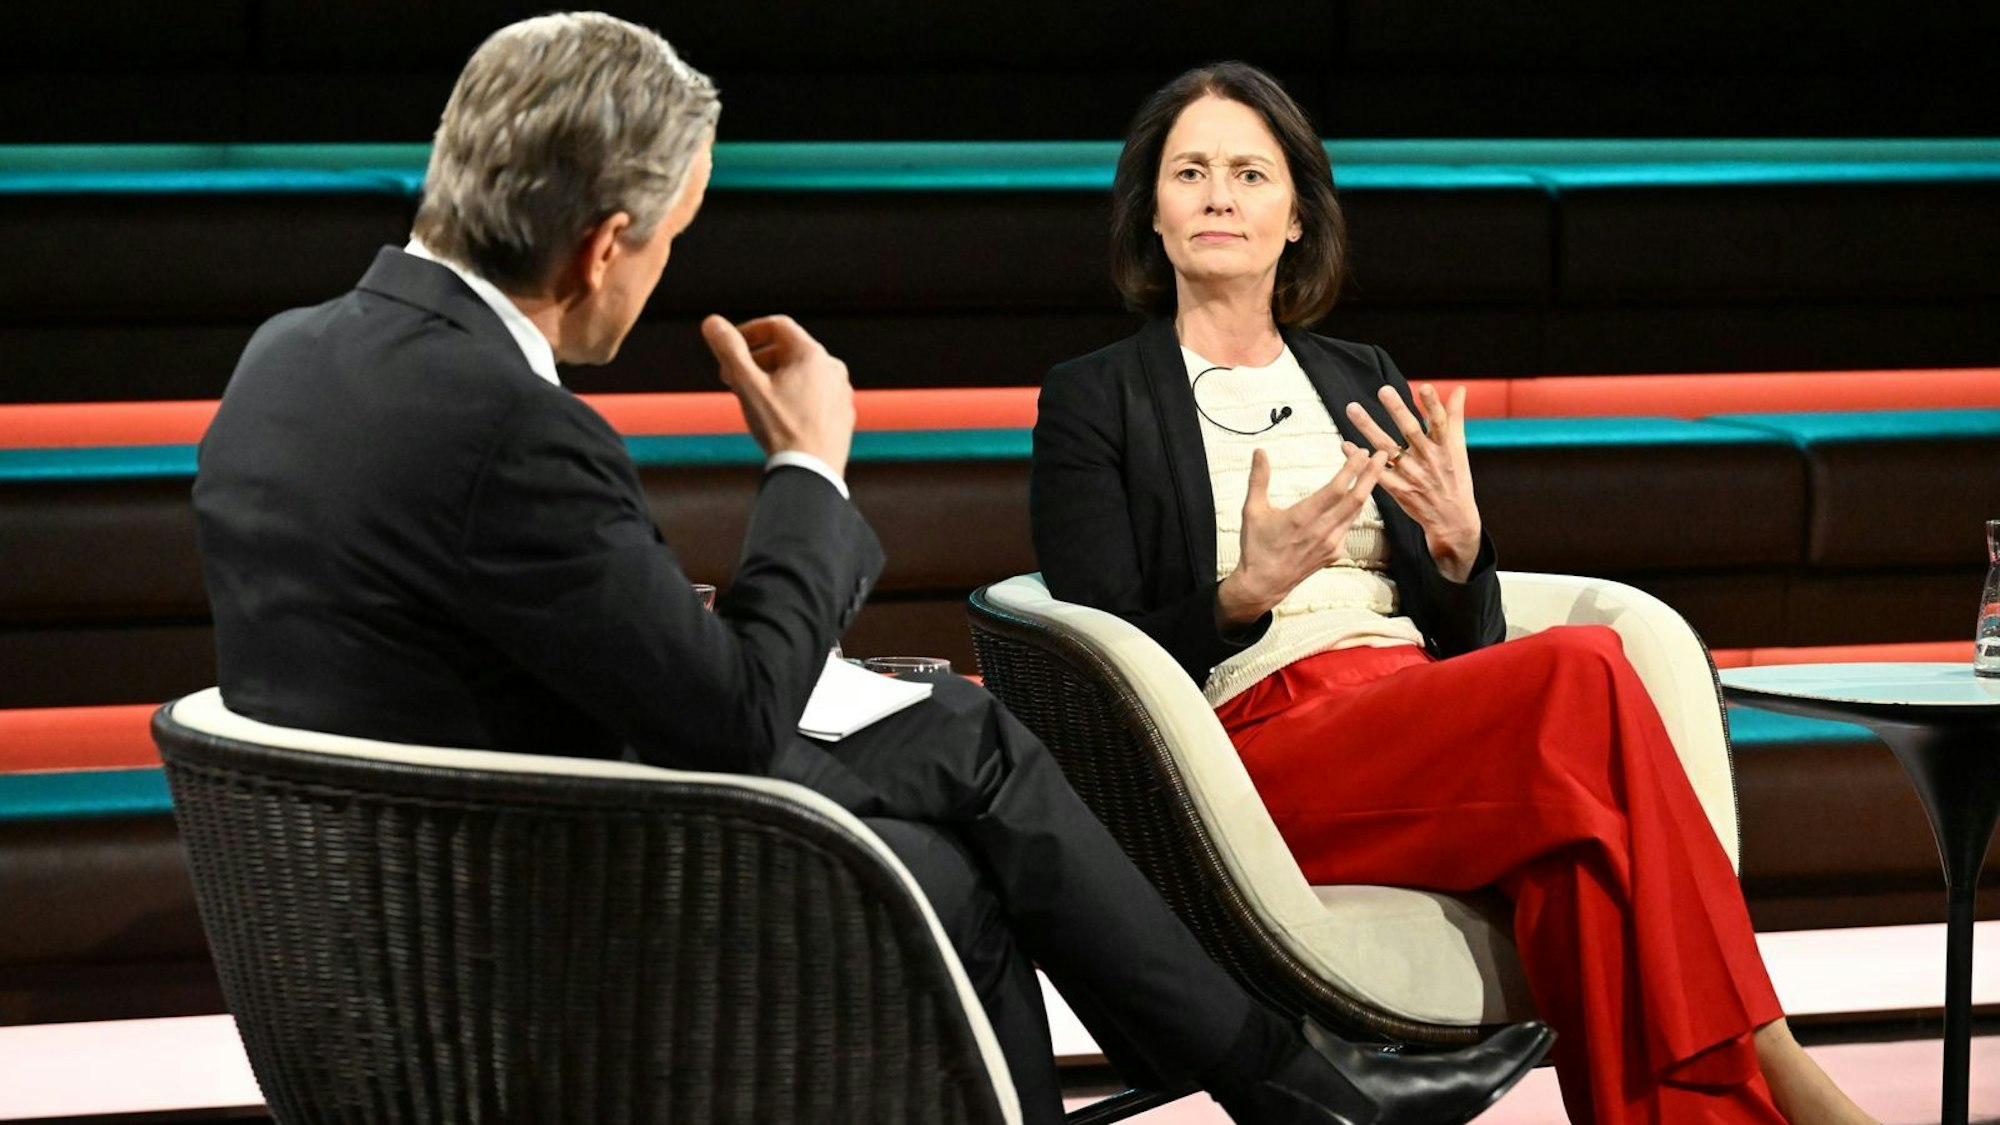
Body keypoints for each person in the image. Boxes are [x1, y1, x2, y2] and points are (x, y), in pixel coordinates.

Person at [191, 15, 1551, 1125]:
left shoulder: (291, 357)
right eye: (669, 240)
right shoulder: (512, 425)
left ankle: (1278, 1085)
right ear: (606, 244)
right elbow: (718, 718)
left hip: (377, 874)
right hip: (544, 891)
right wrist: (808, 470)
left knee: (956, 783)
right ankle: (1292, 1088)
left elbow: (501, 618)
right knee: (971, 773)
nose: (660, 276)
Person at [1029, 62, 1880, 1125]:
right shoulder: (1093, 397)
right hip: (1245, 744)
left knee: (1582, 866)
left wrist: (1457, 548)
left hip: (1413, 711)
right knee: (1582, 666)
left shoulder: (1354, 375)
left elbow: (1464, 641)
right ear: (1148, 213)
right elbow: (1094, 644)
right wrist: (1240, 594)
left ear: (1296, 215)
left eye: (1249, 173)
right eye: (1188, 172)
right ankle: (1772, 1052)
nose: (1217, 197)